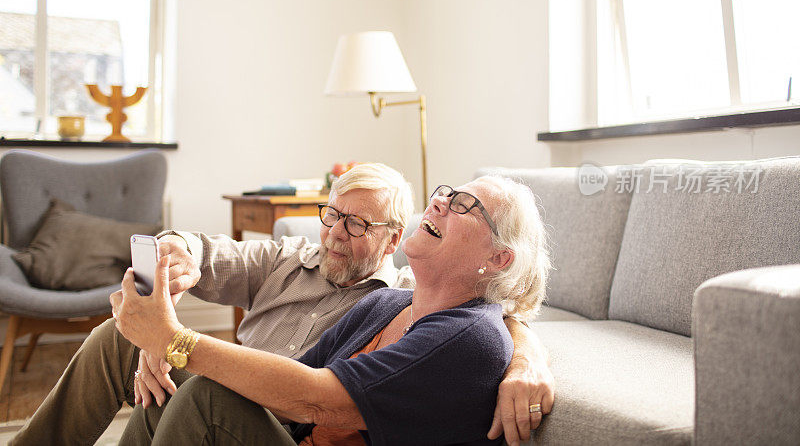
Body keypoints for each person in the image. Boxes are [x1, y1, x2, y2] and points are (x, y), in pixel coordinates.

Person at [12, 165, 553, 446]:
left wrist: (174, 342)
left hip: (273, 410)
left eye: (358, 224)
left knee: (204, 396)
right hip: (266, 410)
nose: (337, 234)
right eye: (332, 215)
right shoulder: (364, 298)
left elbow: (490, 321)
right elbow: (211, 252)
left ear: (392, 241)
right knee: (145, 360)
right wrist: (176, 260)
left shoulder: (400, 301)